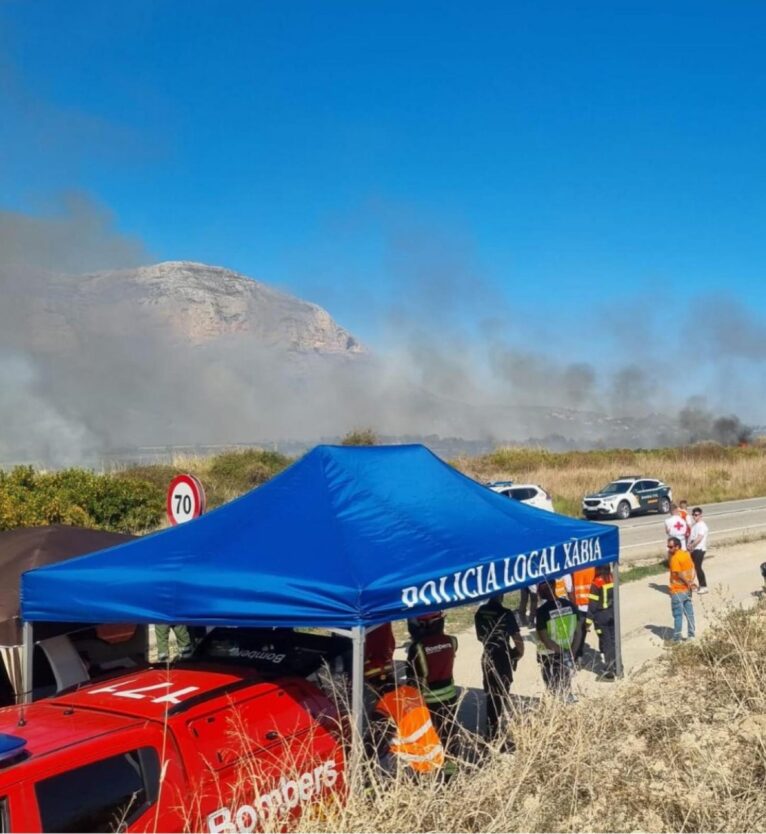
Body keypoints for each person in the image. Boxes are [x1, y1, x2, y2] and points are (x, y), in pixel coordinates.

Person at [474, 595, 525, 740]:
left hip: (487, 655)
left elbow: (480, 637)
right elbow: (518, 640)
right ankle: (495, 732)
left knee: (491, 693)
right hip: (502, 656)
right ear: (501, 595)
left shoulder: (480, 611)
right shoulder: (506, 613)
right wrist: (517, 655)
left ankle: (491, 726)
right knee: (501, 694)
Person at [369, 680, 445, 776]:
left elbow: (377, 744)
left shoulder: (384, 706)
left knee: (377, 756)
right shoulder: (412, 691)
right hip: (436, 756)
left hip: (416, 763)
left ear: (374, 686)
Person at [407, 612, 459, 748]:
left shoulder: (417, 648)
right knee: (449, 734)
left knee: (430, 738)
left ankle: (434, 767)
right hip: (451, 697)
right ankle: (451, 767)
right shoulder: (452, 640)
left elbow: (412, 678)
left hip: (429, 701)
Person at [535, 580, 581, 700]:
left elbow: (544, 638)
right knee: (565, 680)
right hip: (567, 649)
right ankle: (567, 699)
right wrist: (572, 651)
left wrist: (560, 651)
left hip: (548, 653)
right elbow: (578, 631)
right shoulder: (570, 605)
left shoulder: (542, 611)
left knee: (551, 685)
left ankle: (557, 704)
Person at [586, 564, 616, 679]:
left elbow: (592, 605)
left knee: (607, 643)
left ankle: (609, 672)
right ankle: (619, 667)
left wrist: (588, 622)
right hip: (612, 613)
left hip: (601, 615)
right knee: (614, 642)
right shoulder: (612, 578)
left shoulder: (596, 582)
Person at [667, 536, 696, 642]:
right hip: (688, 590)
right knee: (689, 613)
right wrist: (691, 582)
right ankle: (691, 635)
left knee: (678, 615)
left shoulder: (675, 559)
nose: (669, 549)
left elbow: (678, 574)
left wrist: (687, 582)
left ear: (677, 546)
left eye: (670, 547)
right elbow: (692, 569)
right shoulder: (686, 555)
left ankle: (677, 638)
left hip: (678, 590)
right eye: (668, 547)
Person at [572, 566, 596, 665]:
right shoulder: (594, 568)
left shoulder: (575, 569)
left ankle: (578, 656)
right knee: (604, 632)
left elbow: (571, 588)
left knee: (580, 633)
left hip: (580, 604)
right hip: (594, 604)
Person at [687, 507, 709, 595]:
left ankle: (704, 586)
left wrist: (692, 545)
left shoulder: (702, 525)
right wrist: (689, 545)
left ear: (700, 515)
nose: (694, 517)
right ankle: (693, 585)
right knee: (693, 568)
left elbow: (699, 538)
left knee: (698, 567)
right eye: (693, 515)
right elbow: (691, 537)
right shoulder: (695, 525)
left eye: (696, 515)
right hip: (693, 549)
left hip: (699, 549)